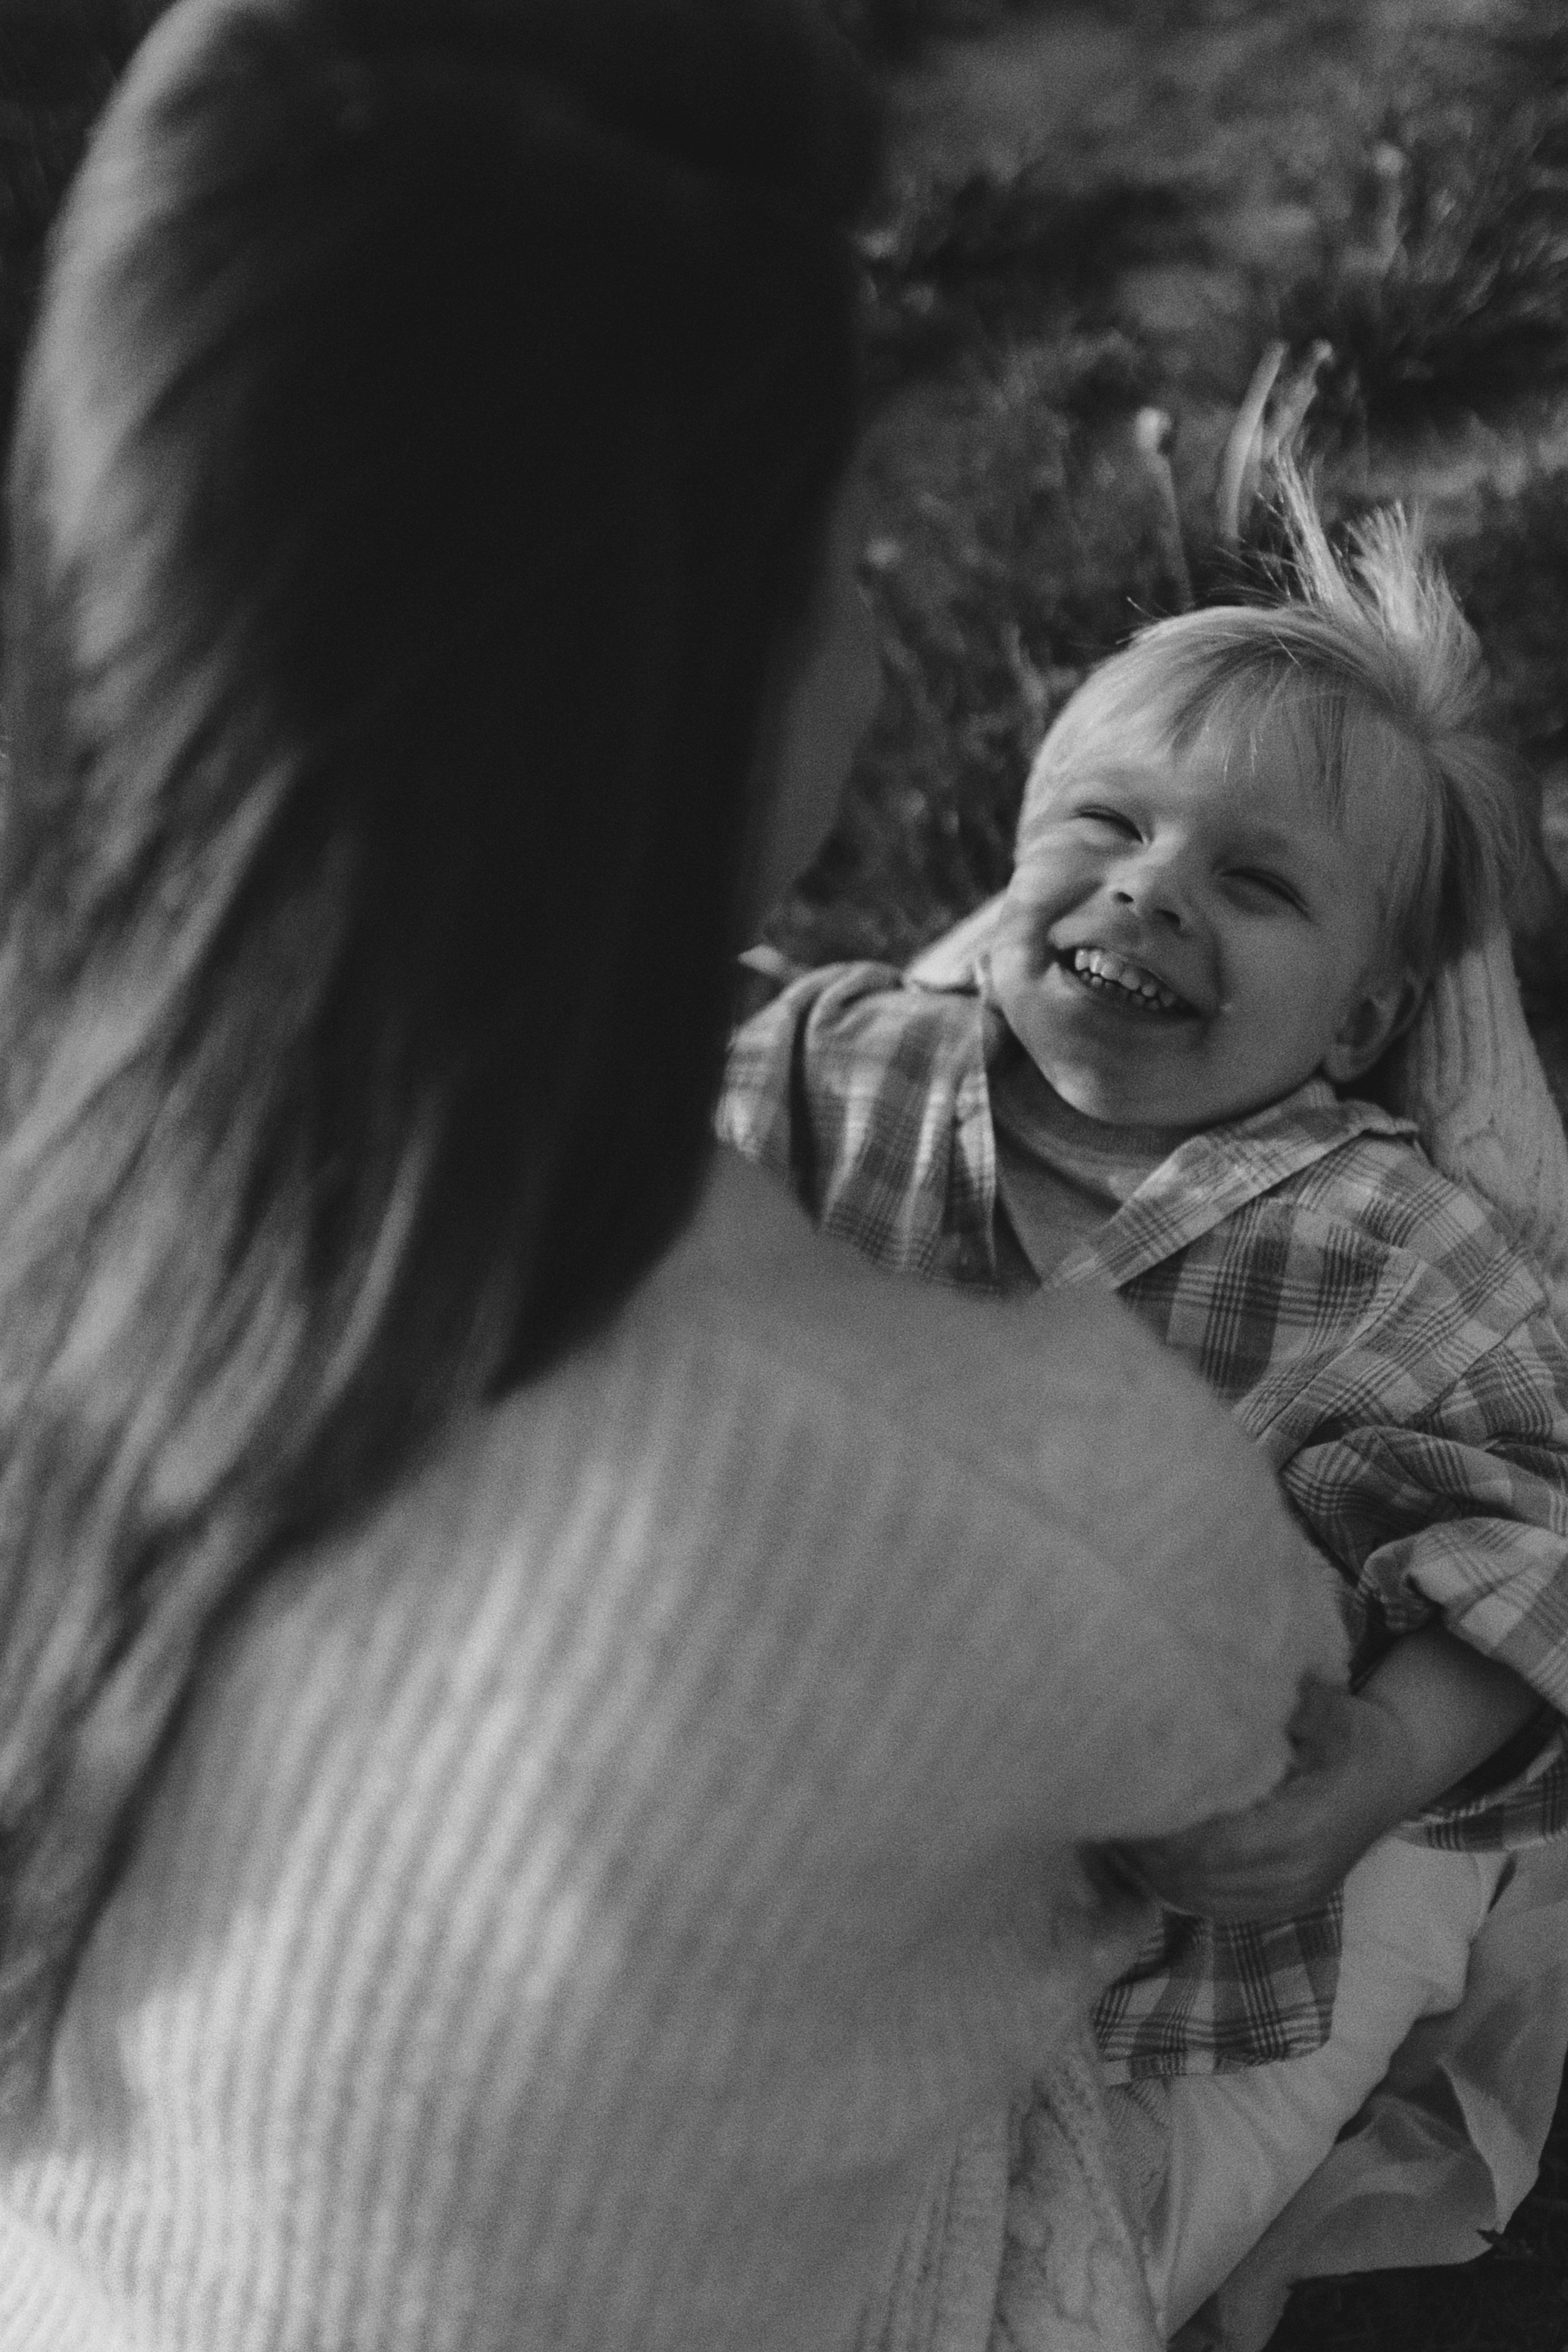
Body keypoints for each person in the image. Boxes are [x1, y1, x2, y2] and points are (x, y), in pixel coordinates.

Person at [0, 1, 1346, 2346]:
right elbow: (1269, 1745)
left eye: (1262, 881)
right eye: (854, 559)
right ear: (717, 681)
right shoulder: (1041, 1506)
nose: (1139, 906)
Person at [720, 469, 1568, 2336]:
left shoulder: (1384, 1239)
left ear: (1357, 1023)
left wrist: (1390, 1771)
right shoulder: (827, 1059)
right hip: (728, 1800)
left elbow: (1537, 1533)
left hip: (1077, 1951)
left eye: (1256, 885)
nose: (1153, 885)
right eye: (1102, 822)